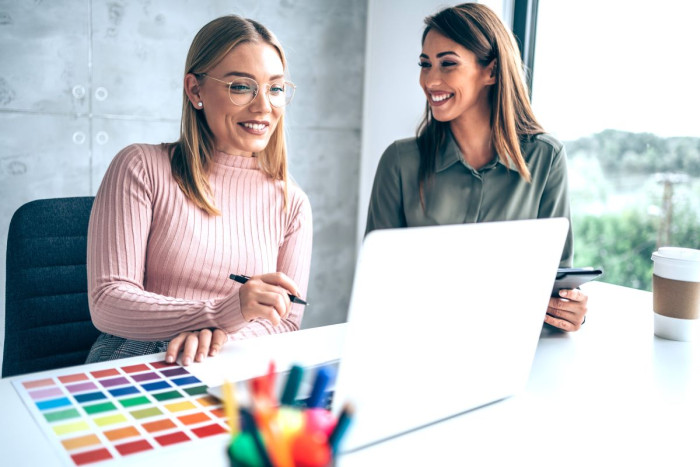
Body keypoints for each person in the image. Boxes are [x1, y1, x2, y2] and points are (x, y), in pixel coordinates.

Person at [85, 15, 312, 365]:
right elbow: (108, 300)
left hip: (233, 364)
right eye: (241, 86)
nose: (264, 106)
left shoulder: (291, 202)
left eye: (276, 88)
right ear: (195, 90)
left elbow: (285, 322)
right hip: (136, 359)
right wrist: (219, 313)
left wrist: (215, 338)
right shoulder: (140, 167)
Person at [365, 3, 588, 331]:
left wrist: (570, 310)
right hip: (417, 343)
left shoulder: (545, 158)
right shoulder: (399, 162)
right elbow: (376, 285)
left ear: (492, 71)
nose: (430, 80)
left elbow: (556, 281)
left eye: (448, 64)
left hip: (514, 350)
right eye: (425, 64)